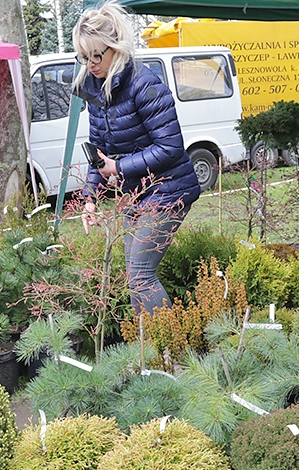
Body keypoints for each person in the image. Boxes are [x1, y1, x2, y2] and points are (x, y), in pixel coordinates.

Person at [73, 2, 200, 315]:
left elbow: (170, 147)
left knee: (140, 275)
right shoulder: (97, 91)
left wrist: (119, 167)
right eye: (84, 57)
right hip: (137, 194)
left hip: (170, 190)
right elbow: (99, 151)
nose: (90, 64)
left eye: (96, 55)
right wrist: (90, 198)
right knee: (134, 278)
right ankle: (145, 350)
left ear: (115, 48)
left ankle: (168, 350)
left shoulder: (145, 86)